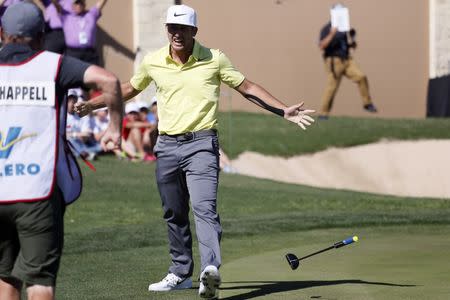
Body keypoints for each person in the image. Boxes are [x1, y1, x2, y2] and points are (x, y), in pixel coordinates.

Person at [75, 4, 314, 299]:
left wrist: (282, 110)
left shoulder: (214, 59)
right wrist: (93, 104)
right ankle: (180, 272)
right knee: (173, 212)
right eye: (172, 28)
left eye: (182, 29)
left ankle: (209, 271)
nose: (176, 34)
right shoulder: (153, 61)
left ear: (194, 32)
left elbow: (247, 87)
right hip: (166, 146)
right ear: (167, 30)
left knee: (204, 208)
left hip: (201, 143)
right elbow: (129, 89)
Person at [0, 2, 122, 300]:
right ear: (41, 36)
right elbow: (109, 81)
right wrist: (115, 128)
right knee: (40, 280)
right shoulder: (53, 64)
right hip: (38, 190)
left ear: (2, 33)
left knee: (5, 277)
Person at [318, 3, 377, 119]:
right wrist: (332, 32)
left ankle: (367, 103)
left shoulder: (344, 29)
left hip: (347, 60)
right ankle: (323, 113)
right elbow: (322, 45)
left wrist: (352, 42)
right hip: (334, 61)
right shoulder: (327, 28)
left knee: (361, 77)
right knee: (332, 87)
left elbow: (348, 46)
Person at [51, 0, 107, 65]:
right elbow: (56, 5)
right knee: (71, 74)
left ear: (84, 5)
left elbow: (101, 3)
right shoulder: (66, 16)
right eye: (76, 3)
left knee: (93, 74)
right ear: (72, 5)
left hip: (90, 54)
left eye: (81, 3)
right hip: (72, 53)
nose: (79, 5)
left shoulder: (91, 14)